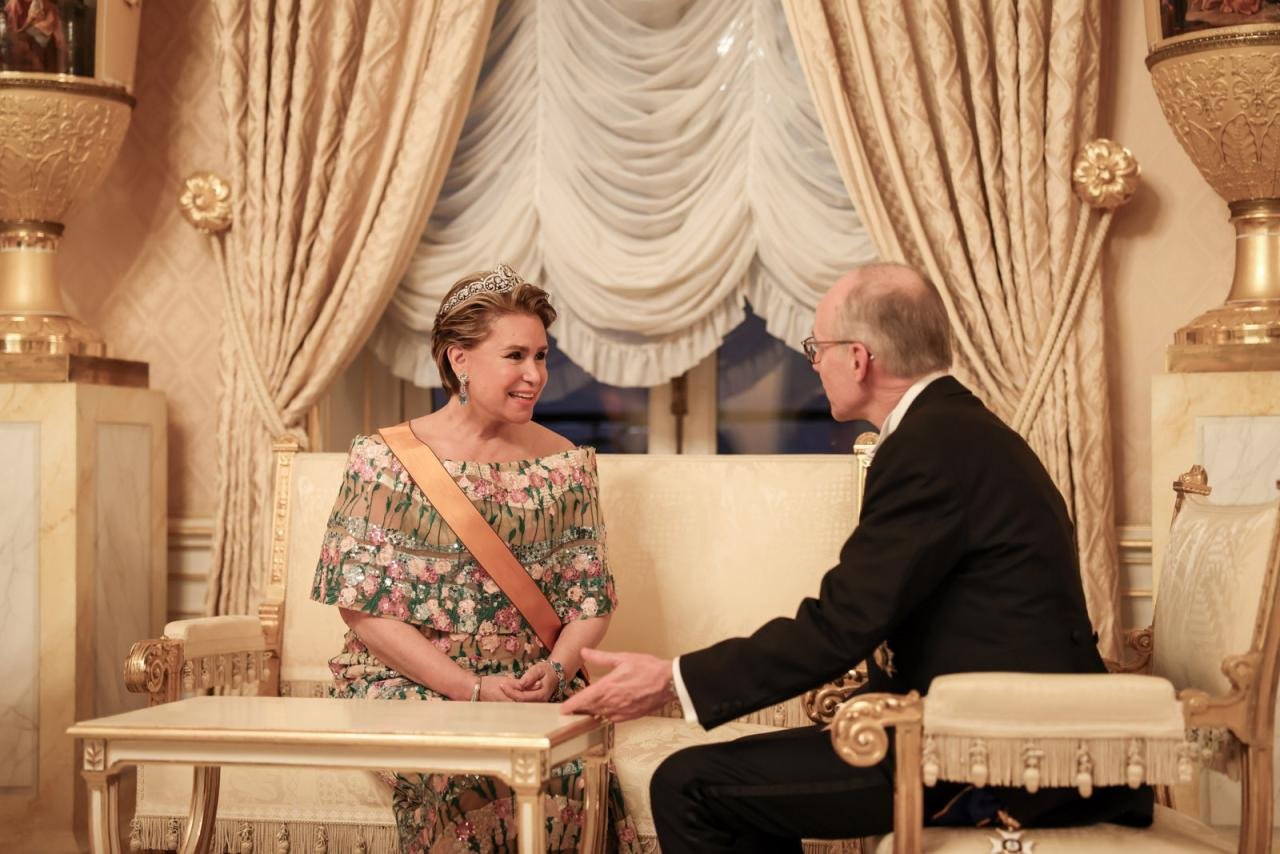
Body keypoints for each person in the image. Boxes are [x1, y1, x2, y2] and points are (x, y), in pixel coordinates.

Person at [562, 262, 1153, 852]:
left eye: (816, 348)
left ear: (858, 357)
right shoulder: (951, 429)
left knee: (688, 785)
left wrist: (671, 678)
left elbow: (841, 626)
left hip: (996, 756)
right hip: (979, 730)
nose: (813, 363)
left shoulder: (930, 447)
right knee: (720, 781)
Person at [310, 265, 641, 853]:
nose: (534, 375)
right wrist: (469, 688)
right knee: (470, 774)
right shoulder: (383, 459)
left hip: (527, 687)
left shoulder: (566, 463)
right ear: (458, 360)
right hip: (407, 681)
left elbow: (591, 602)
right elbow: (363, 613)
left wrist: (558, 670)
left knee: (564, 778)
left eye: (541, 355)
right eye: (515, 355)